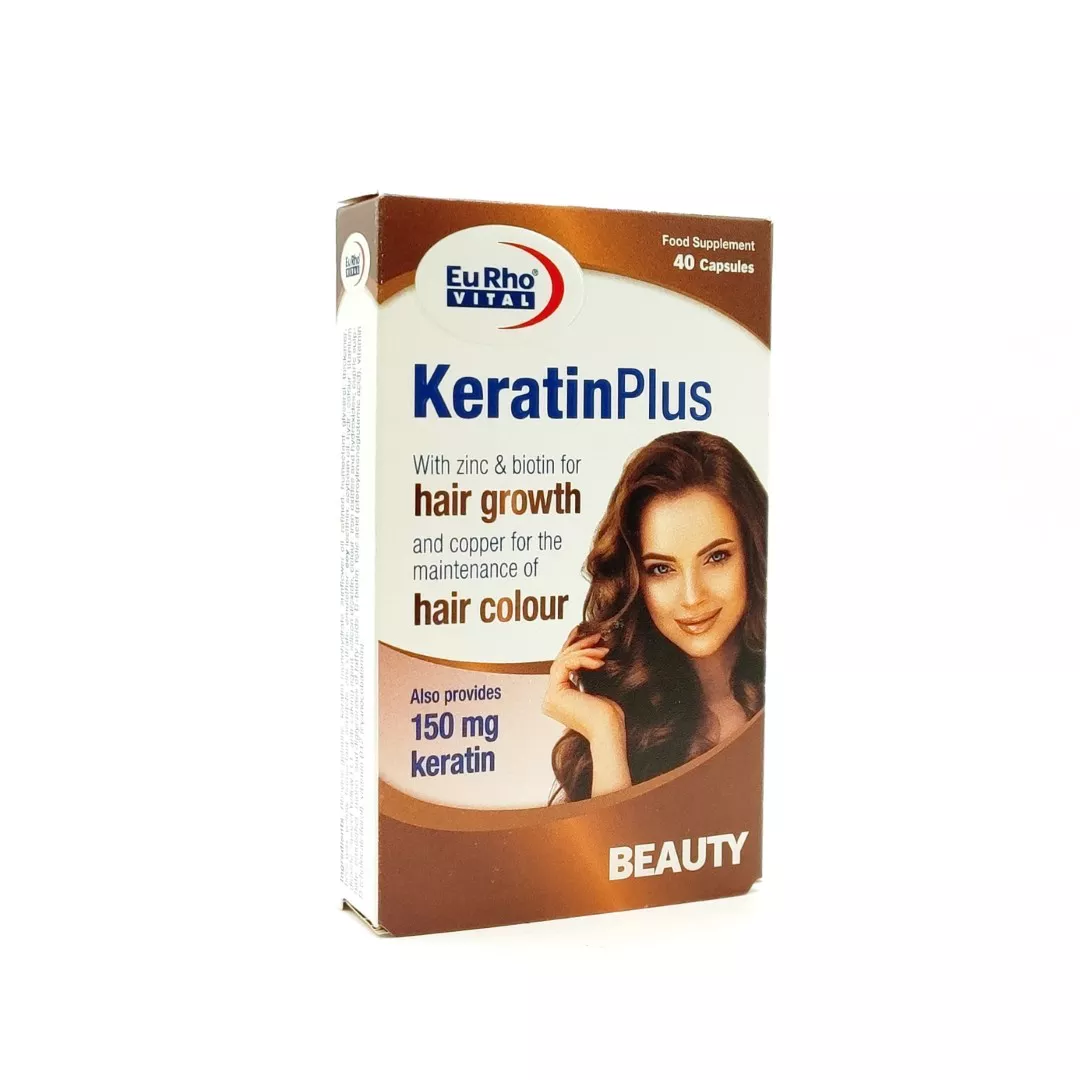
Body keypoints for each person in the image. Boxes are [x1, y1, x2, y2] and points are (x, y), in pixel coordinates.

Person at [544, 431, 767, 802]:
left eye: (716, 557)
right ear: (634, 581)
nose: (692, 597)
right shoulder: (630, 715)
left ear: (754, 553)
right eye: (661, 569)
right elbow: (613, 841)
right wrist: (605, 730)